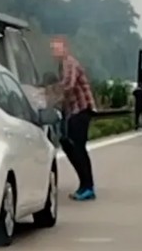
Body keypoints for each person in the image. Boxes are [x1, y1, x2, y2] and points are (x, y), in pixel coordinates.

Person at [50, 36, 96, 201]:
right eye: (53, 49)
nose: (55, 52)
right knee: (68, 145)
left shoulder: (70, 63)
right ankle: (85, 184)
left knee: (78, 148)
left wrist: (48, 95)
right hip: (73, 112)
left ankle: (88, 186)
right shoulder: (62, 65)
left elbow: (67, 86)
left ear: (65, 49)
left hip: (81, 110)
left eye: (58, 48)